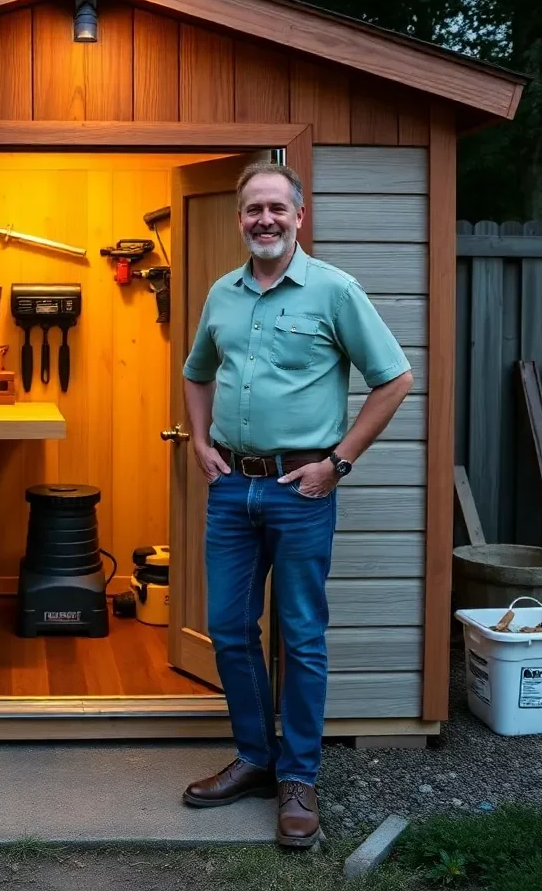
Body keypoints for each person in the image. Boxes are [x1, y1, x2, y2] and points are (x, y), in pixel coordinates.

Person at [179, 161, 413, 848]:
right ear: (240, 219)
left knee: (302, 635)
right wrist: (198, 442)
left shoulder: (334, 291)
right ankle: (257, 758)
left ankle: (299, 778)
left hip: (299, 491)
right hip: (231, 490)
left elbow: (394, 379)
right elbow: (196, 373)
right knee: (228, 629)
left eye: (277, 208)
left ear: (299, 217)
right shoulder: (221, 294)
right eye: (253, 209)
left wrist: (337, 464)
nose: (265, 220)